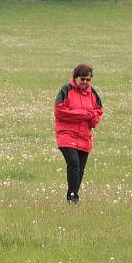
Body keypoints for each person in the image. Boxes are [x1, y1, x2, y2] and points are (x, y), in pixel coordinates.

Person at [53, 64, 103, 204]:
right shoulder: (66, 90)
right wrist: (84, 114)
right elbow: (59, 111)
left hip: (84, 136)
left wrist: (92, 118)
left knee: (80, 170)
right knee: (73, 163)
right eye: (82, 79)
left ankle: (73, 197)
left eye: (88, 79)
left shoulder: (93, 94)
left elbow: (98, 112)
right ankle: (72, 196)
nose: (85, 82)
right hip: (66, 134)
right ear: (75, 77)